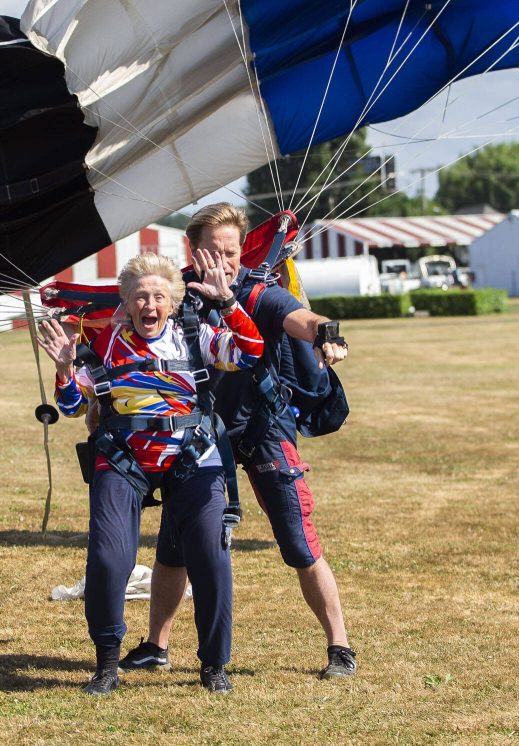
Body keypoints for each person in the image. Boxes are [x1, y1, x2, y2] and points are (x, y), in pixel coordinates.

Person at [119, 203, 357, 679]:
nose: (222, 261)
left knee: (297, 539)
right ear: (193, 249)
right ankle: (156, 646)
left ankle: (340, 648)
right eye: (212, 251)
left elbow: (302, 319)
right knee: (174, 543)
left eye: (230, 252)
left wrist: (327, 335)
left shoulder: (257, 293)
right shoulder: (173, 292)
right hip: (199, 437)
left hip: (263, 430)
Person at [37, 251, 263, 695]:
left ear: (172, 302)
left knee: (210, 556)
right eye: (140, 297)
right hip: (124, 459)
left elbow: (251, 354)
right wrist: (65, 369)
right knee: (108, 557)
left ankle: (214, 664)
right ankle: (106, 664)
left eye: (159, 296)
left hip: (192, 458)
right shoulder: (104, 345)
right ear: (125, 303)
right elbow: (69, 406)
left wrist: (230, 303)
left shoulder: (196, 336)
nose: (149, 305)